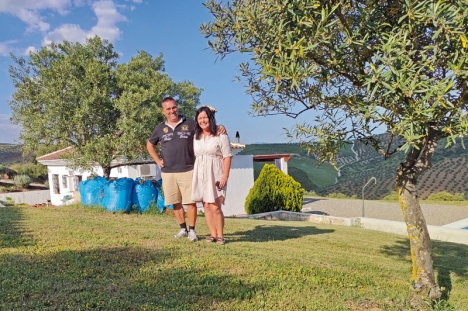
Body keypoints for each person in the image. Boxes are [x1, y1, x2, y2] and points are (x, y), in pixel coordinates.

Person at [146, 97, 225, 242]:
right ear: (163, 111)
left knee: (190, 202)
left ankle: (192, 231)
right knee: (175, 202)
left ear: (177, 107)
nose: (172, 111)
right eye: (168, 109)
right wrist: (158, 161)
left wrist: (220, 127)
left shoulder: (190, 124)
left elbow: (205, 125)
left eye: (174, 107)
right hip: (168, 172)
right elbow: (150, 145)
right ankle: (183, 229)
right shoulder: (159, 129)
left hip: (188, 169)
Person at [191, 106, 232, 245]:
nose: (203, 120)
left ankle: (220, 235)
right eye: (200, 118)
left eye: (205, 117)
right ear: (197, 120)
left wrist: (225, 176)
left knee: (215, 206)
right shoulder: (196, 137)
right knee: (206, 206)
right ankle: (212, 235)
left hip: (216, 173)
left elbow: (227, 156)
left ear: (210, 118)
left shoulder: (220, 135)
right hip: (201, 174)